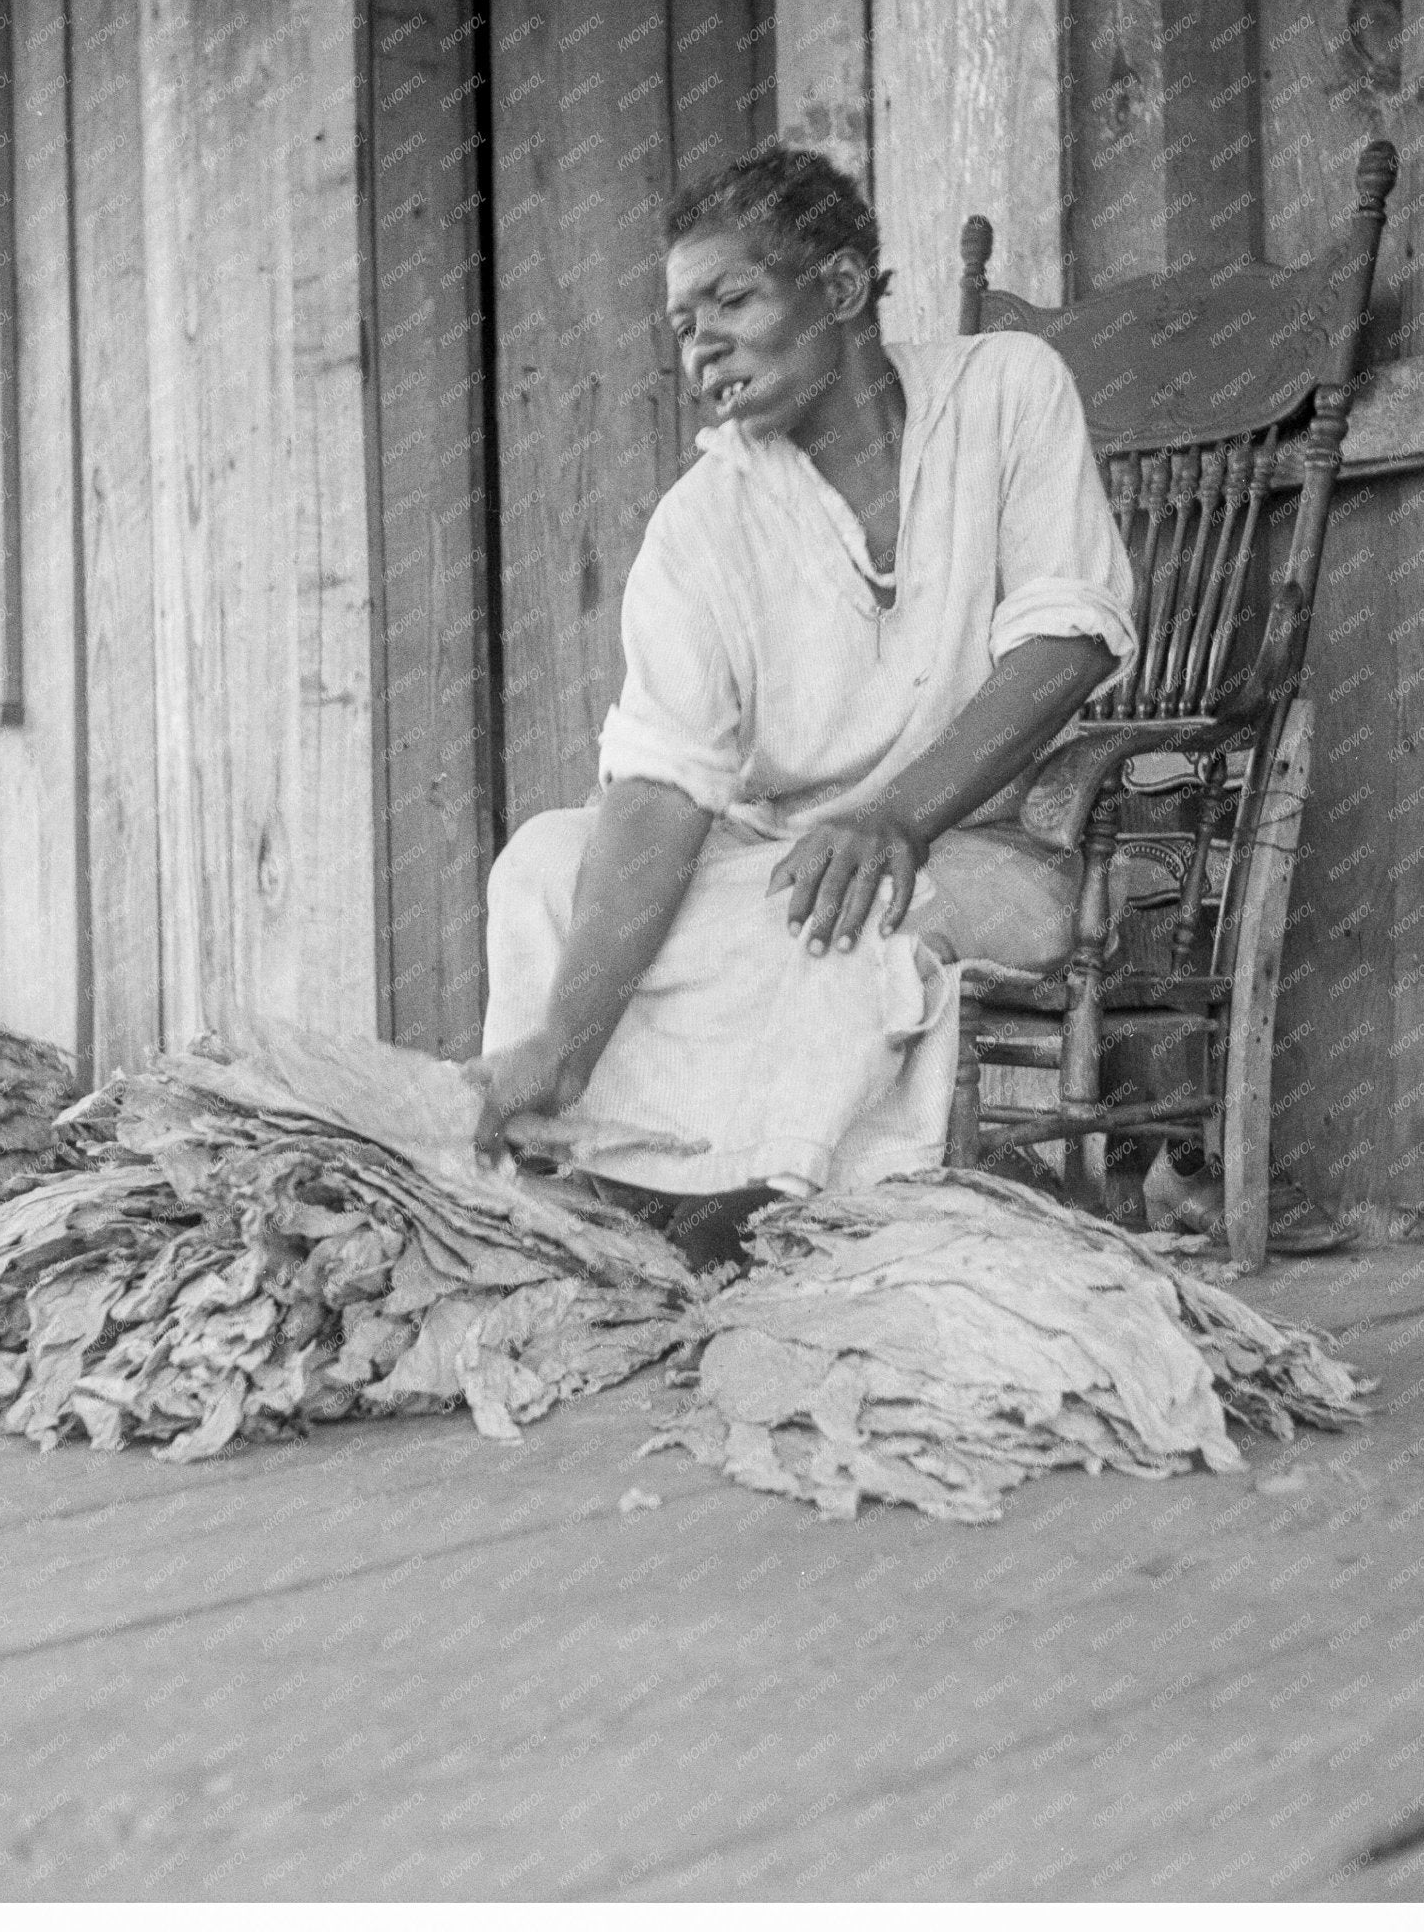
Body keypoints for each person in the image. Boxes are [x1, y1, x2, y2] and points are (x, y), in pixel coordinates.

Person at [465, 145, 1138, 1269]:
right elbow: (663, 784)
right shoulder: (698, 525)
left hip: (990, 842)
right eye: (682, 325)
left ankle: (763, 1193)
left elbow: (1066, 639)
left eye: (730, 298)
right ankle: (591, 1152)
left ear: (834, 288)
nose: (702, 344)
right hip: (782, 852)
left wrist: (899, 814)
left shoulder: (1004, 389)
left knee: (820, 906)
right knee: (543, 861)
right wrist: (563, 1038)